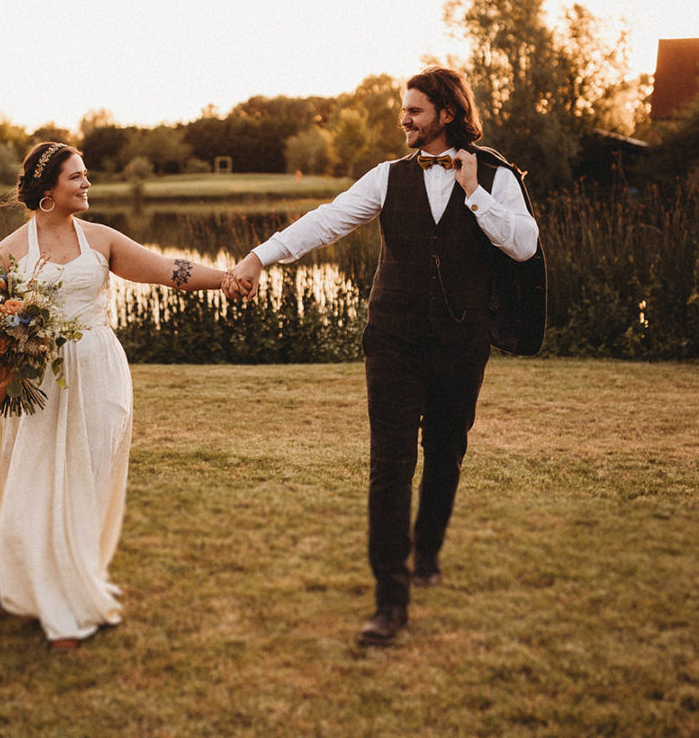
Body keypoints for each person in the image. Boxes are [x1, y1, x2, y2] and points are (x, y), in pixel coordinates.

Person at [227, 67, 543, 647]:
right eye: (405, 109)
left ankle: (427, 553)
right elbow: (326, 220)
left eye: (415, 110)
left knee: (445, 451)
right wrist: (260, 255)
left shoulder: (495, 177)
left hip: (460, 341)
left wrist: (474, 193)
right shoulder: (386, 177)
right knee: (389, 465)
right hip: (393, 339)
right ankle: (389, 601)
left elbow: (524, 245)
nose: (404, 119)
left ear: (446, 114)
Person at [0, 141, 234, 651]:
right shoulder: (7, 253)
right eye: (77, 177)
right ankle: (54, 601)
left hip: (98, 372)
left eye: (86, 175)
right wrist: (1, 346)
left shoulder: (101, 239)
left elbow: (168, 270)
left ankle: (76, 573)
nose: (87, 184)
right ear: (48, 189)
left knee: (87, 476)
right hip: (39, 380)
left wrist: (224, 278)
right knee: (36, 478)